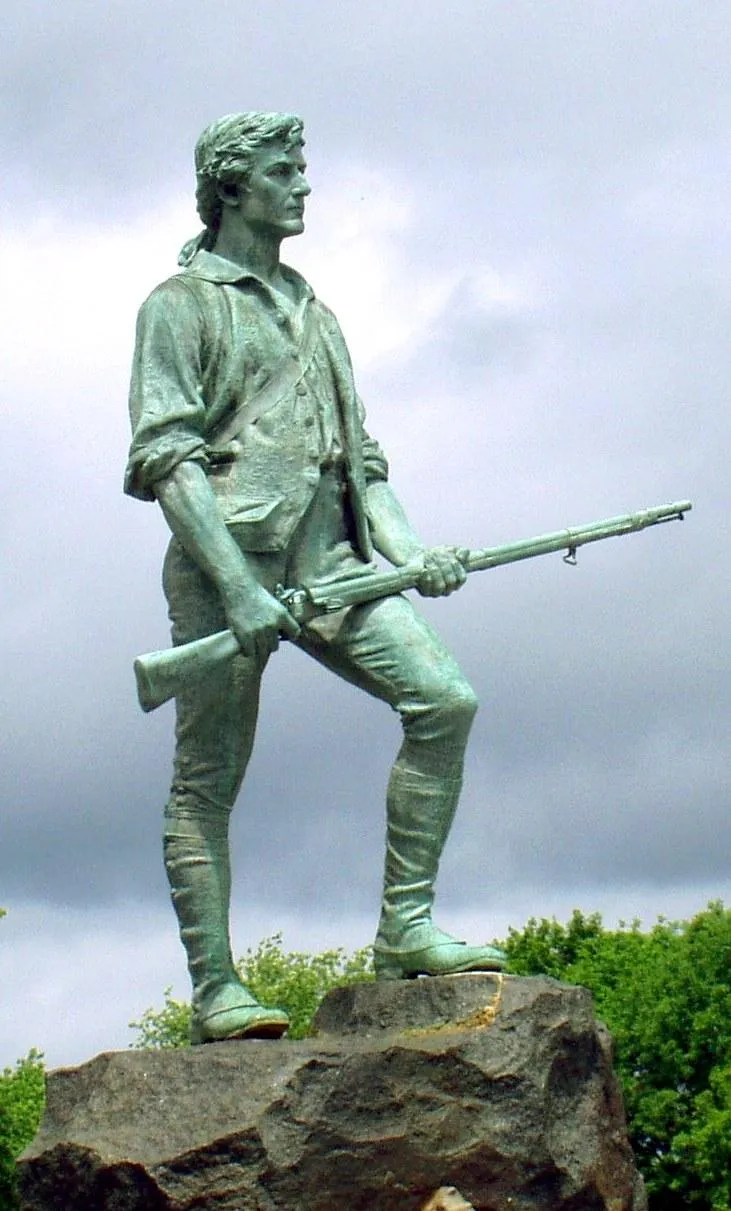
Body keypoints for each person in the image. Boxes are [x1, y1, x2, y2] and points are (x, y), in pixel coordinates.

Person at [126, 112, 505, 1046]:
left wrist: (410, 552)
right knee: (208, 780)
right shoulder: (179, 303)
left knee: (445, 700)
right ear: (229, 185)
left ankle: (406, 927)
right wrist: (240, 589)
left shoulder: (318, 312)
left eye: (303, 169)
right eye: (282, 171)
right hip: (228, 572)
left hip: (333, 565)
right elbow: (167, 460)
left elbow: (362, 463)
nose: (303, 186)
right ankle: (217, 988)